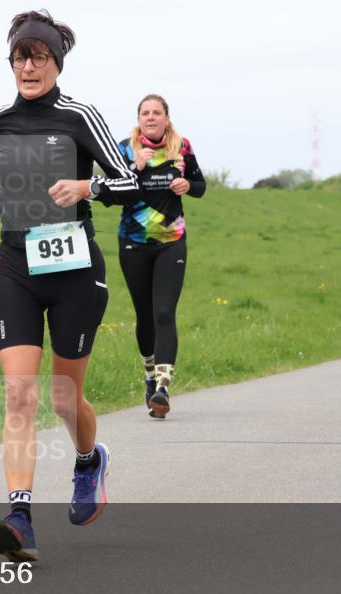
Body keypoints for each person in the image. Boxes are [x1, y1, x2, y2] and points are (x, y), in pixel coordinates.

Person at [0, 9, 142, 562]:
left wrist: (87, 186)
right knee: (18, 393)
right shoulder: (0, 120)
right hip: (16, 262)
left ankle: (89, 460)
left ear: (57, 61)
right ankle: (19, 517)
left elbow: (129, 181)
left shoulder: (80, 114)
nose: (28, 66)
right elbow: (11, 188)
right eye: (19, 56)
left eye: (38, 56)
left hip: (74, 268)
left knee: (64, 396)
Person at [115, 94, 206, 418]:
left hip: (172, 241)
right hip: (134, 242)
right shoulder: (124, 148)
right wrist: (133, 168)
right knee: (145, 315)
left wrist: (187, 185)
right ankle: (150, 374)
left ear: (167, 118)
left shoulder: (182, 147)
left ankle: (163, 387)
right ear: (138, 118)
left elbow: (201, 185)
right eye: (145, 113)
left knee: (164, 312)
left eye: (157, 113)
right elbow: (110, 192)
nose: (151, 117)